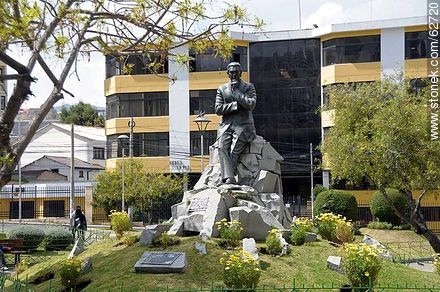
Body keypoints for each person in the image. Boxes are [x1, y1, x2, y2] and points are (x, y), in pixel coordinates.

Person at [215, 62, 257, 184]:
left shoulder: (248, 87)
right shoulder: (222, 89)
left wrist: (237, 93)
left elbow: (251, 104)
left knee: (234, 150)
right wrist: (234, 105)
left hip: (243, 126)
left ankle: (228, 179)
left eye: (236, 72)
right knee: (222, 146)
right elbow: (218, 109)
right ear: (228, 74)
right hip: (226, 126)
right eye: (231, 72)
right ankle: (229, 178)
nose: (234, 74)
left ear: (241, 73)